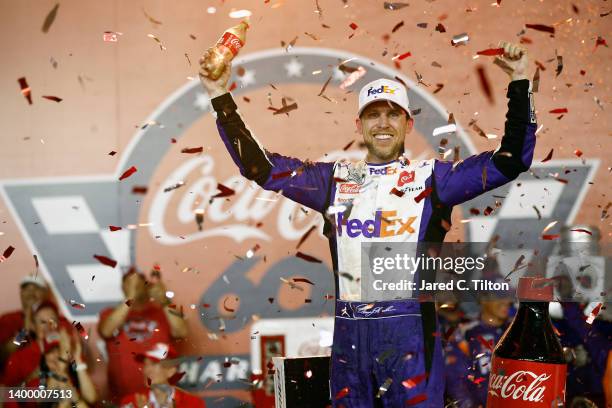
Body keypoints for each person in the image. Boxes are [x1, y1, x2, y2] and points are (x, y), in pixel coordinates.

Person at [200, 41, 536, 406]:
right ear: (359, 124)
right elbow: (261, 168)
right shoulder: (332, 181)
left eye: (393, 115)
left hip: (410, 338)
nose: (383, 123)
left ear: (408, 124)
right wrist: (220, 95)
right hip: (350, 339)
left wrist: (519, 81)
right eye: (373, 115)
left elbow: (511, 159)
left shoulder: (434, 179)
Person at [98, 268, 188, 402]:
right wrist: (129, 298)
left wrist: (164, 300)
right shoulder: (111, 313)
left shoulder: (161, 311)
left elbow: (182, 331)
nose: (134, 287)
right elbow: (106, 330)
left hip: (161, 397)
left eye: (138, 282)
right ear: (123, 288)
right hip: (121, 398)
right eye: (129, 283)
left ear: (147, 285)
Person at [4, 328, 97, 408]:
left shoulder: (77, 377)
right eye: (51, 351)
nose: (56, 355)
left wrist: (77, 359)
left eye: (60, 350)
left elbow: (92, 398)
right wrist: (63, 358)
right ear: (44, 357)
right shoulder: (37, 381)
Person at [1, 300, 72, 387]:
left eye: (52, 320)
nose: (48, 327)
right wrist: (31, 377)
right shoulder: (19, 358)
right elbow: (4, 394)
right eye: (42, 322)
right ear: (33, 326)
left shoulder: (71, 350)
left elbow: (89, 396)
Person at [120, 343, 205, 408]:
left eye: (154, 364)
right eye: (145, 364)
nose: (146, 370)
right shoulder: (130, 402)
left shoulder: (193, 404)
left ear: (171, 371)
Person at [0, 274, 48, 371]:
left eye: (36, 289)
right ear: (21, 292)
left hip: (44, 379)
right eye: (27, 289)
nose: (31, 293)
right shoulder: (8, 319)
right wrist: (24, 332)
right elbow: (3, 354)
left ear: (44, 293)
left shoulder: (53, 319)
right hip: (12, 379)